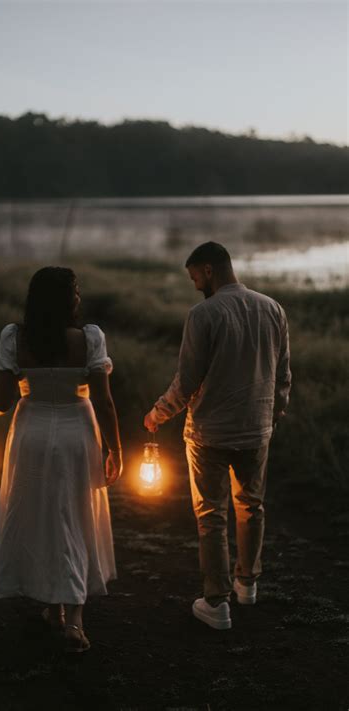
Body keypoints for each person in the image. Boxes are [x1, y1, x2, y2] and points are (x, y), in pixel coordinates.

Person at [0, 266, 122, 652]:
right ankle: (72, 619)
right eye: (75, 291)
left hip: (32, 432)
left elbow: (3, 403)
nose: (79, 297)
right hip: (77, 433)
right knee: (72, 515)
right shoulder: (89, 339)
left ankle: (57, 611)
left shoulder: (15, 338)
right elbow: (103, 401)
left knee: (43, 515)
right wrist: (115, 448)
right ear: (67, 299)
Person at [144, 242, 291, 630]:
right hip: (256, 428)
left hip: (210, 432)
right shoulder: (273, 308)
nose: (195, 285)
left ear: (208, 270)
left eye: (195, 277)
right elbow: (283, 375)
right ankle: (247, 585)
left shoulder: (204, 314)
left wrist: (158, 413)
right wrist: (272, 417)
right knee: (251, 506)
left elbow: (188, 380)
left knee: (211, 515)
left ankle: (217, 602)